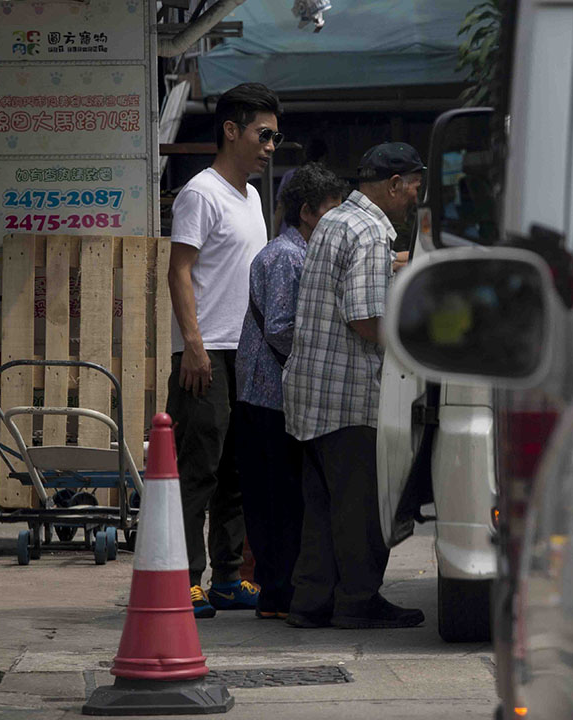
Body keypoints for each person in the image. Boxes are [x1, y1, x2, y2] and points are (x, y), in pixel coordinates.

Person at [282, 142, 426, 629]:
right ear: (392, 185)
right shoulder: (368, 231)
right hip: (349, 396)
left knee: (322, 510)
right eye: (413, 189)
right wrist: (415, 345)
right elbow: (366, 318)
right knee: (362, 510)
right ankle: (358, 600)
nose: (414, 200)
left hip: (312, 394)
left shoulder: (336, 220)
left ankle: (311, 601)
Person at [165, 82, 283, 618]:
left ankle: (227, 577)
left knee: (236, 472)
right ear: (231, 131)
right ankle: (183, 580)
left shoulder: (253, 197)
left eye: (275, 137)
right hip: (207, 351)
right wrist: (192, 344)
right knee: (198, 471)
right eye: (263, 134)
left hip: (247, 353)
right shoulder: (200, 192)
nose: (270, 147)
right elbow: (179, 269)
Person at [234, 162, 347, 620]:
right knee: (278, 501)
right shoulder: (287, 258)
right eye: (328, 214)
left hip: (270, 394)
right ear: (305, 212)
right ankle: (278, 594)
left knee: (276, 499)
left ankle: (278, 592)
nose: (334, 225)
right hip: (270, 396)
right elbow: (280, 328)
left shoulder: (292, 253)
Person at [272, 137, 329, 237]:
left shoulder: (290, 175)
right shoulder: (324, 180)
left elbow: (280, 208)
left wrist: (274, 234)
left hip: (287, 232)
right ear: (323, 158)